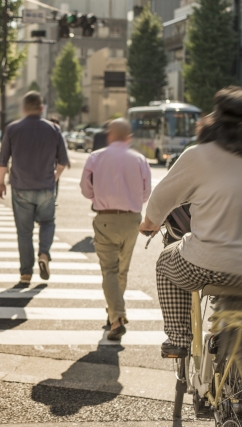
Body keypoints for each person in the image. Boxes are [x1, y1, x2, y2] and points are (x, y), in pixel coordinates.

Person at [140, 86, 242, 356]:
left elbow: (159, 202)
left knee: (165, 263)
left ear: (215, 119)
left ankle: (179, 339)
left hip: (205, 265)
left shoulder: (198, 155)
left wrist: (149, 224)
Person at [80, 119, 152, 341]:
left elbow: (85, 187)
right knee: (122, 269)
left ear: (110, 136)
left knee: (109, 270)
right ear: (129, 137)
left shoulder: (96, 157)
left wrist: (96, 197)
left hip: (105, 219)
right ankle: (115, 312)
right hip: (131, 220)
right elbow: (147, 191)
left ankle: (117, 317)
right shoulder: (140, 159)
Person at [0, 92, 69, 284]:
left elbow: (3, 160)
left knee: (24, 231)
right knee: (47, 222)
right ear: (41, 108)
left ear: (24, 108)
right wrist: (55, 177)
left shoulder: (13, 129)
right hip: (46, 186)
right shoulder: (54, 129)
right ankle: (44, 253)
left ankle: (26, 273)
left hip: (21, 187)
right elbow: (62, 161)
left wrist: (1, 182)